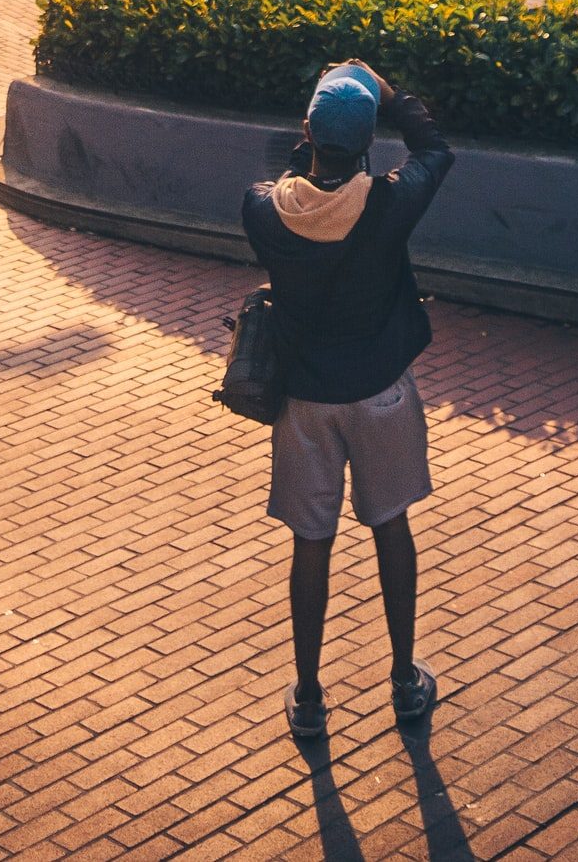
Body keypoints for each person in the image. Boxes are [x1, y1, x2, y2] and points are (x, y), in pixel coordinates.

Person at [241, 58, 454, 742]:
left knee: (312, 542)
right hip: (380, 395)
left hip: (304, 403)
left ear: (307, 130)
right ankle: (402, 682)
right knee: (391, 527)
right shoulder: (389, 205)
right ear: (367, 141)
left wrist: (321, 120)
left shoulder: (263, 211)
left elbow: (296, 174)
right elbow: (437, 150)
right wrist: (387, 93)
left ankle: (308, 696)